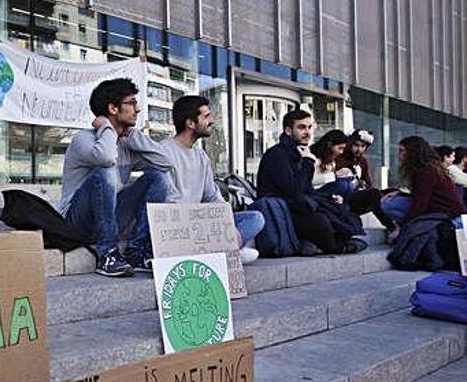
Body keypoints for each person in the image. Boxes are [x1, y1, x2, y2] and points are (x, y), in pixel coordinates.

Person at [60, 78, 172, 277]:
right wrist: (107, 128)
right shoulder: (84, 139)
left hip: (110, 218)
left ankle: (136, 250)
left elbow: (165, 162)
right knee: (104, 172)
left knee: (158, 178)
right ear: (113, 108)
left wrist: (132, 136)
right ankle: (107, 254)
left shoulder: (126, 143)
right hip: (77, 223)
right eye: (131, 103)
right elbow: (105, 157)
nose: (137, 110)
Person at [161, 95, 264, 264]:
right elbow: (167, 199)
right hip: (178, 225)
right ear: (190, 123)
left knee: (256, 218)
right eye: (207, 116)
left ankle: (227, 249)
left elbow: (211, 195)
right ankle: (228, 251)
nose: (212, 121)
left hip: (201, 222)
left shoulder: (201, 155)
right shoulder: (165, 150)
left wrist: (226, 221)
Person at [256, 109, 366, 255]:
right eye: (301, 127)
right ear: (288, 130)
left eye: (309, 127)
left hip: (297, 206)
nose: (307, 132)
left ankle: (316, 243)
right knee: (320, 220)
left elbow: (306, 189)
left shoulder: (297, 152)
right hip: (284, 213)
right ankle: (336, 247)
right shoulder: (277, 155)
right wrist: (308, 161)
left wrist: (327, 198)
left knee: (339, 209)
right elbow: (294, 190)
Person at [383, 137, 465, 238]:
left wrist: (402, 228)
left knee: (390, 205)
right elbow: (419, 194)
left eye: (402, 151)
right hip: (444, 213)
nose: (399, 156)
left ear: (413, 153)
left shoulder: (425, 172)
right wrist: (398, 192)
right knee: (393, 200)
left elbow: (420, 204)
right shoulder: (428, 169)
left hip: (448, 217)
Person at [335, 129, 397, 232]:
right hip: (344, 200)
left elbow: (368, 183)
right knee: (373, 194)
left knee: (393, 192)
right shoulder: (339, 159)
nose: (359, 149)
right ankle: (392, 228)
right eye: (356, 145)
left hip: (360, 196)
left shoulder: (363, 162)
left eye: (363, 146)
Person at [309, 129, 351, 198]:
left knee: (347, 184)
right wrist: (334, 175)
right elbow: (310, 180)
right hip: (313, 192)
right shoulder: (312, 158)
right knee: (343, 185)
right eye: (339, 148)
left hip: (326, 193)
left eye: (343, 149)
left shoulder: (331, 160)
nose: (341, 152)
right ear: (330, 145)